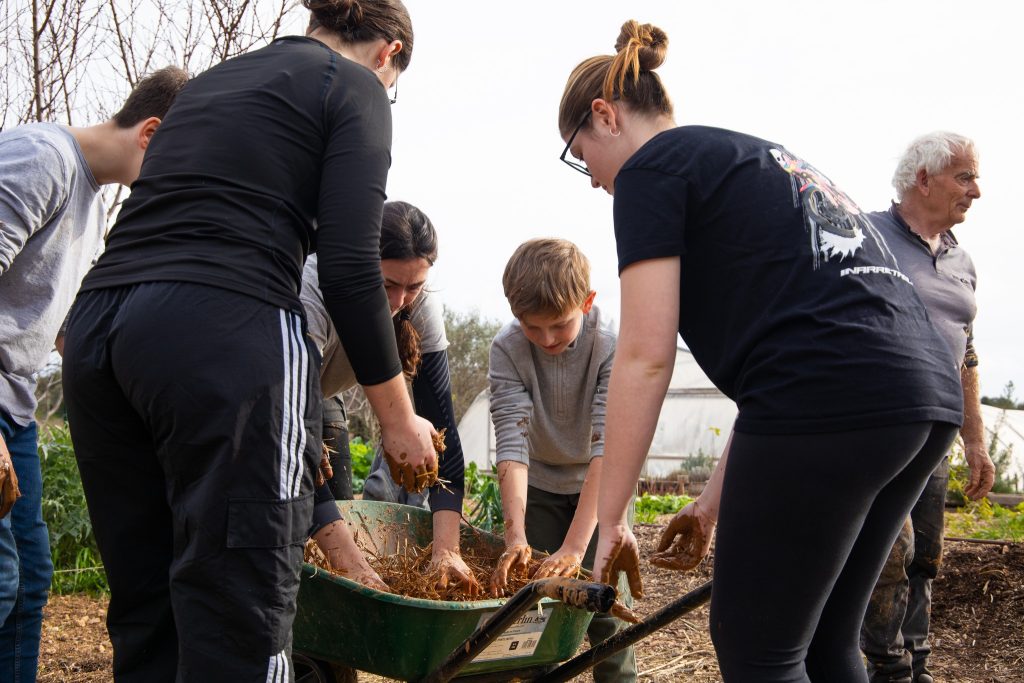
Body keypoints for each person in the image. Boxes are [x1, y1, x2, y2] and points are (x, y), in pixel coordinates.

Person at [560, 20, 964, 680]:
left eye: (581, 156)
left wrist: (612, 523)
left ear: (604, 115)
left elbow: (644, 355)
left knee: (759, 654)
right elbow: (785, 354)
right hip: (920, 400)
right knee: (828, 642)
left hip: (834, 394)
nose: (593, 180)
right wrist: (711, 503)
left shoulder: (650, 171)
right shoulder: (755, 157)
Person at [61, 1, 435, 680]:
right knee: (241, 616)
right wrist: (399, 418)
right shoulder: (354, 87)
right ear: (389, 52)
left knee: (150, 612)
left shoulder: (214, 81)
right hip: (225, 325)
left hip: (101, 328)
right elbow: (351, 267)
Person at [0, 65, 188, 682]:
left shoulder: (87, 195)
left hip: (17, 410)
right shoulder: (41, 158)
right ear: (152, 133)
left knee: (28, 585)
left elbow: (53, 322)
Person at [860, 132, 994, 683]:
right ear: (923, 179)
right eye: (964, 177)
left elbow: (966, 353)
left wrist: (975, 438)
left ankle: (916, 665)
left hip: (937, 438)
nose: (977, 191)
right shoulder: (869, 236)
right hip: (879, 431)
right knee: (888, 555)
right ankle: (884, 666)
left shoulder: (962, 259)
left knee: (925, 558)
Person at [299, 200, 478, 594]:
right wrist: (354, 567)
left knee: (344, 513)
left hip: (325, 394)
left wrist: (446, 551)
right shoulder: (312, 286)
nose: (398, 302)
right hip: (280, 390)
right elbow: (289, 428)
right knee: (310, 521)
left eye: (412, 286)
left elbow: (441, 422)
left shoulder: (421, 303)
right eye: (386, 285)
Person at [485, 238, 636, 682]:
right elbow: (512, 443)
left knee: (604, 608)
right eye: (533, 328)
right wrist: (515, 534)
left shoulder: (611, 343)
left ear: (587, 302)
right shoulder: (507, 349)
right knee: (538, 610)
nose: (546, 339)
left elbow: (608, 446)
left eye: (559, 325)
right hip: (541, 484)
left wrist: (574, 548)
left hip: (603, 488)